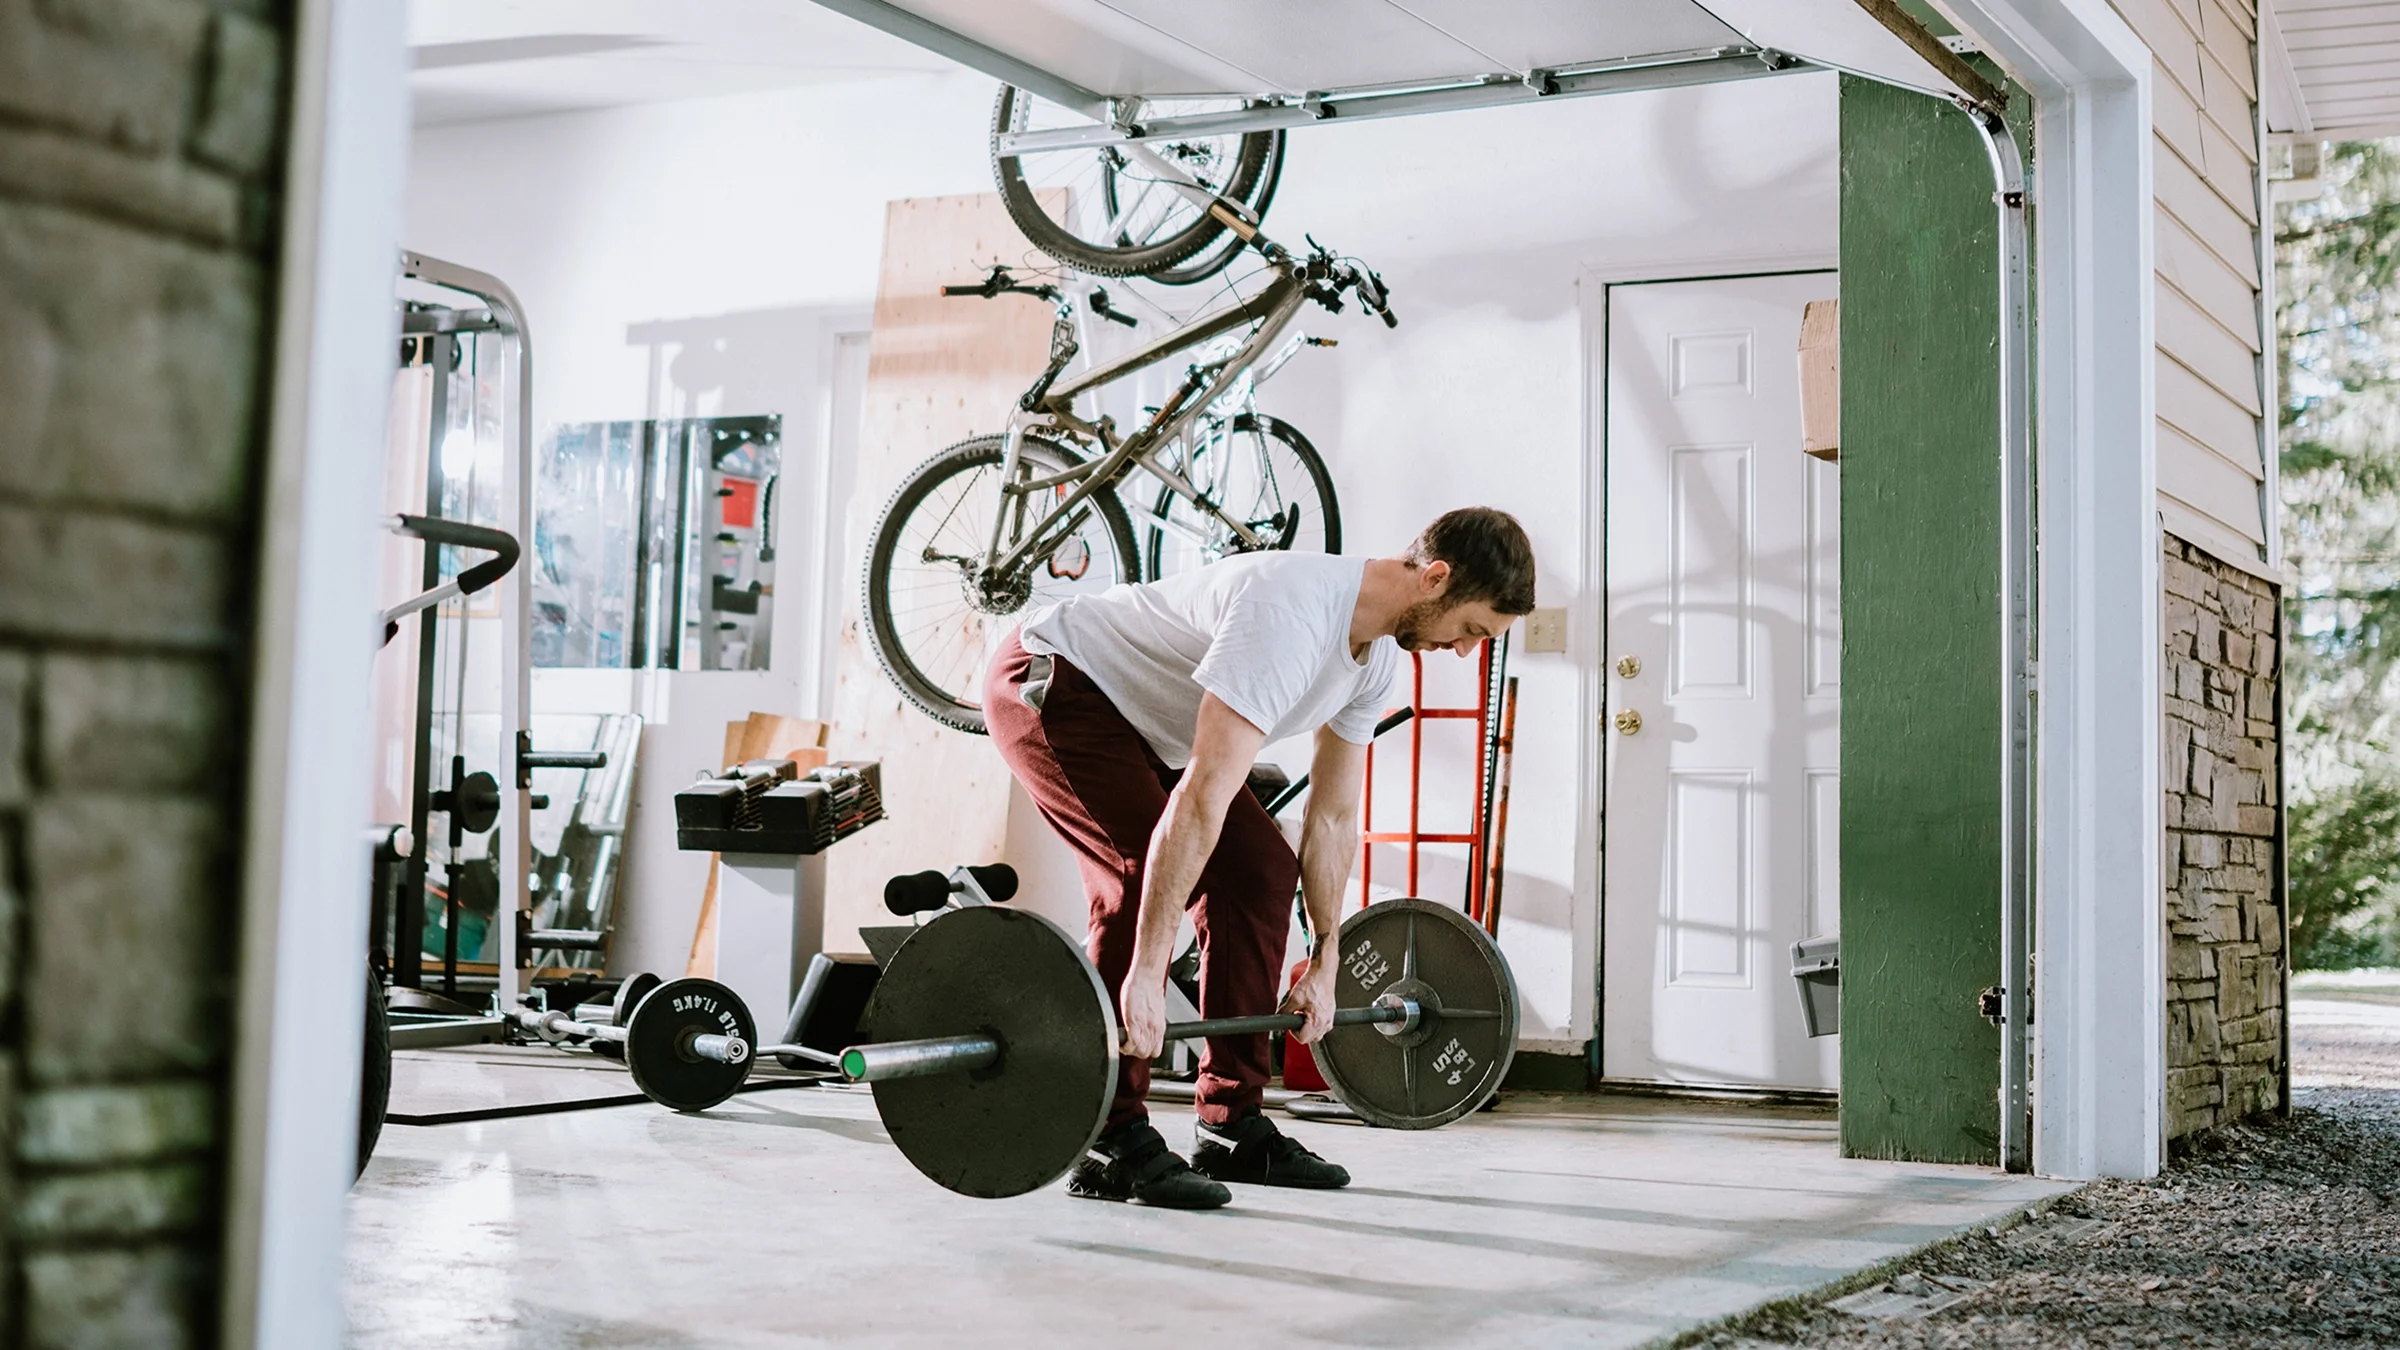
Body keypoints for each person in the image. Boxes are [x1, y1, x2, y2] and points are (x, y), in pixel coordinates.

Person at [983, 507, 1537, 1208]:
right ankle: (1107, 1136)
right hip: (1057, 681)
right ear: (1435, 578)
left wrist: (1327, 956)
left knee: (1259, 872)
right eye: (1472, 631)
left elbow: (1333, 817)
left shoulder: (1377, 662)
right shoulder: (1292, 612)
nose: (1465, 650)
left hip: (1151, 731)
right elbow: (1204, 795)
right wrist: (1150, 968)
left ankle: (1230, 1123)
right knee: (1133, 871)